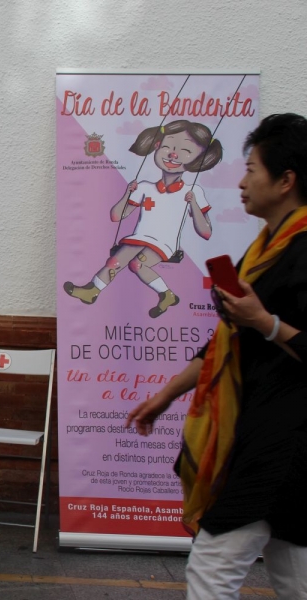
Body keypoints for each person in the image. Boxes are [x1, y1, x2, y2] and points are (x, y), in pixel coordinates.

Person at [125, 113, 307, 599]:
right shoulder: (265, 248)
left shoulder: (302, 250)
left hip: (284, 437)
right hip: (257, 426)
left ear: (286, 180)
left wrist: (263, 321)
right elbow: (224, 342)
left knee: (212, 567)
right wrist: (164, 395)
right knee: (294, 573)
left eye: (252, 169)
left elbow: (261, 328)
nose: (242, 181)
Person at [64, 120, 223, 318]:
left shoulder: (193, 191)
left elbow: (206, 232)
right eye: (167, 147)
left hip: (165, 243)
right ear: (157, 147)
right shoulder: (145, 188)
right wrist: (127, 193)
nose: (173, 155)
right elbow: (116, 216)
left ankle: (163, 294)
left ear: (199, 159)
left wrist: (193, 205)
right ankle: (95, 291)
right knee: (120, 262)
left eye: (185, 151)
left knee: (134, 262)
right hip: (140, 237)